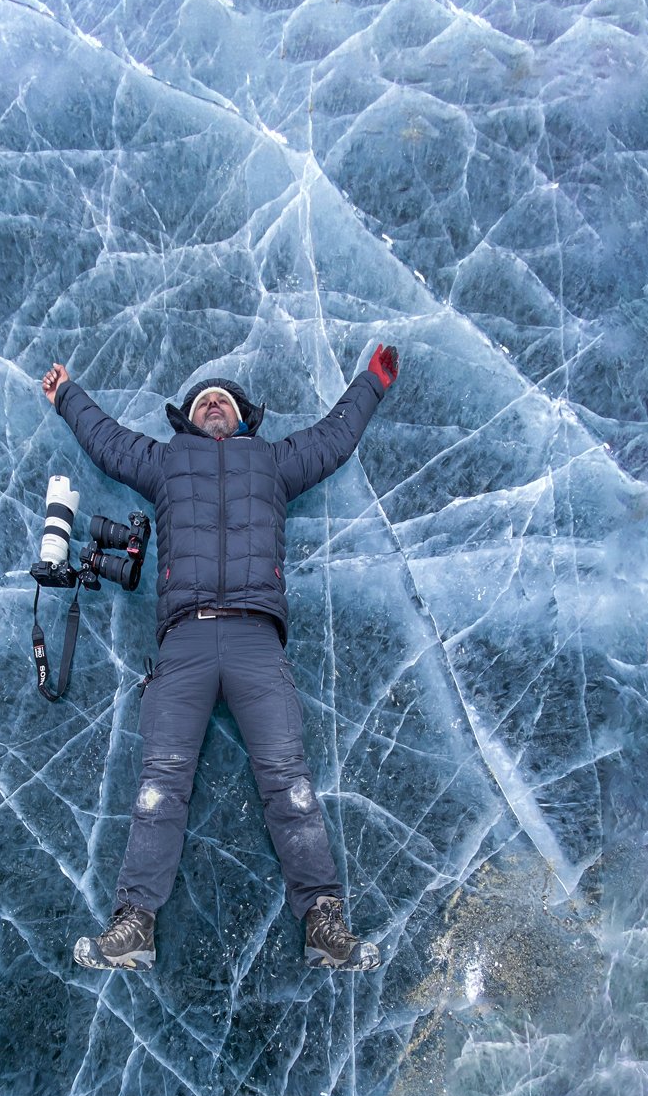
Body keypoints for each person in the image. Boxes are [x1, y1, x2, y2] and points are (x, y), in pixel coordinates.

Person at [38, 346, 400, 972]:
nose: (213, 405)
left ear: (244, 419)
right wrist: (67, 394)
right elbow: (108, 443)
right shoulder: (166, 462)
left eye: (224, 402)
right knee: (160, 785)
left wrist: (372, 381)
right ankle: (134, 924)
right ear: (187, 418)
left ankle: (324, 922)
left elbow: (335, 438)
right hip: (185, 639)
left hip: (257, 640)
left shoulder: (275, 462)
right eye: (204, 401)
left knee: (289, 782)